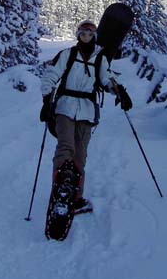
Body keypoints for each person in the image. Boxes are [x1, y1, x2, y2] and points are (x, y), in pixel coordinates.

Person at [40, 19, 132, 214]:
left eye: (90, 34)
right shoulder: (68, 54)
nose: (86, 37)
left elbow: (106, 78)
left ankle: (76, 197)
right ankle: (61, 187)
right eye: (83, 33)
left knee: (80, 154)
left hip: (87, 111)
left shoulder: (100, 58)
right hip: (65, 107)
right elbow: (51, 75)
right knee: (66, 146)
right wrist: (47, 99)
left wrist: (119, 91)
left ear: (94, 36)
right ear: (78, 35)